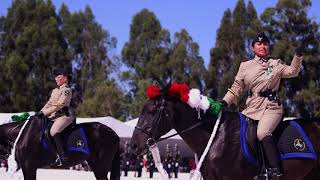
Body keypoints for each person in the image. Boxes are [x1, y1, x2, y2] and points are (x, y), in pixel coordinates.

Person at [221, 32, 303, 178]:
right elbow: (236, 87)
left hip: (271, 108)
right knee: (238, 133)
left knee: (262, 133)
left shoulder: (275, 64)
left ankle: (274, 170)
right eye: (259, 44)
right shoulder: (245, 66)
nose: (262, 46)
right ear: (253, 47)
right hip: (250, 109)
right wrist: (224, 101)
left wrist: (298, 55)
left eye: (265, 43)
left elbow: (293, 71)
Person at [35, 68, 73, 166]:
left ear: (65, 78)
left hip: (64, 116)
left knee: (54, 131)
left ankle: (62, 156)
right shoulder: (55, 91)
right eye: (56, 77)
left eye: (59, 77)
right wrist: (40, 112)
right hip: (53, 116)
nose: (56, 79)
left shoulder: (67, 90)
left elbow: (59, 105)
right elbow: (49, 104)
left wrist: (44, 113)